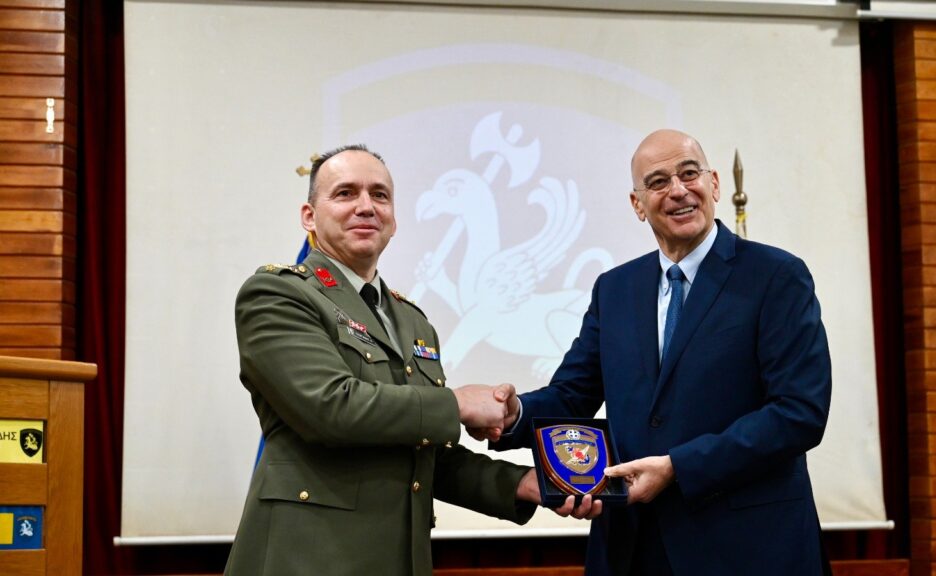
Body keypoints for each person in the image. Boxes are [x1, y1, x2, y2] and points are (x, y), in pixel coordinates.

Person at [224, 144, 595, 576]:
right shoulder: (278, 295)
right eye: (345, 193)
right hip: (308, 558)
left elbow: (420, 452)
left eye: (380, 195)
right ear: (309, 216)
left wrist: (522, 483)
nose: (366, 206)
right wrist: (457, 403)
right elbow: (331, 408)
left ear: (393, 220)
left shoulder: (412, 321)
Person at [489, 129, 832, 575]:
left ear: (714, 183)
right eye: (657, 182)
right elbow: (572, 396)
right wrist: (512, 413)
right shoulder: (614, 289)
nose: (678, 190)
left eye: (689, 174)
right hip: (632, 547)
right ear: (637, 204)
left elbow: (799, 413)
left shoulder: (776, 276)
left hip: (748, 548)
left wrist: (678, 468)